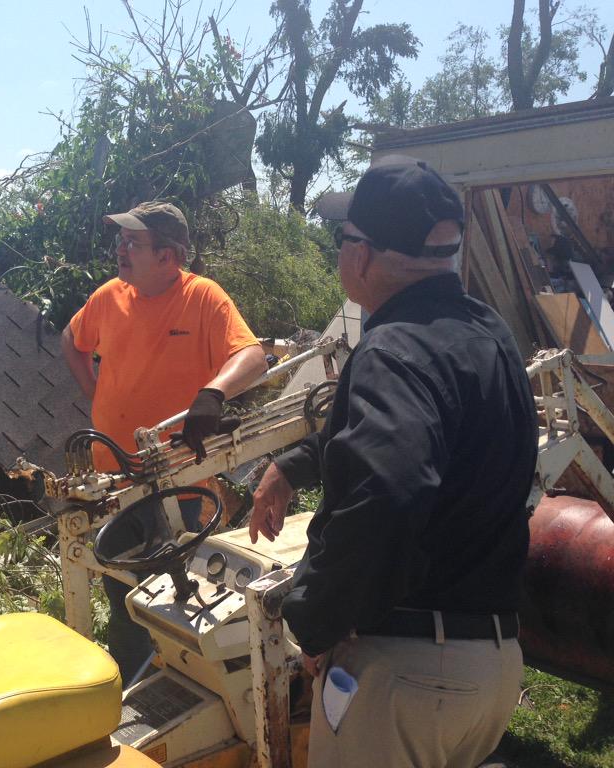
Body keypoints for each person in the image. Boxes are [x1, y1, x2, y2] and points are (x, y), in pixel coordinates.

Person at [249, 157, 537, 767]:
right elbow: (422, 441)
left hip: (406, 676)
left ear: (363, 253)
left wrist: (316, 615)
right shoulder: (489, 337)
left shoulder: (393, 350)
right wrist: (295, 464)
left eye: (342, 238)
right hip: (489, 668)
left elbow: (393, 488)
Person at [62, 201, 267, 685]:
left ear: (168, 257)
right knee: (120, 588)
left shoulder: (203, 298)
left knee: (171, 592)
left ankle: (174, 680)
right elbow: (73, 342)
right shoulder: (110, 296)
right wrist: (97, 394)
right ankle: (128, 685)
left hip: (177, 481)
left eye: (134, 242)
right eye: (122, 240)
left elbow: (253, 356)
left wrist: (214, 391)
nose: (121, 249)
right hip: (112, 476)